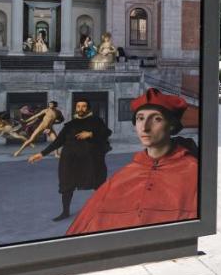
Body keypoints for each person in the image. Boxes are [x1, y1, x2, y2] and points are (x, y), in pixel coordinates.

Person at [65, 88, 198, 235]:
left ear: (172, 125)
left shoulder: (193, 170)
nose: (145, 127)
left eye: (157, 119)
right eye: (140, 118)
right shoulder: (125, 174)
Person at [28, 99, 112, 222]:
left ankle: (102, 209)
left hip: (90, 159)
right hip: (69, 159)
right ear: (75, 108)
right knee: (67, 185)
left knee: (97, 183)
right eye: (78, 106)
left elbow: (107, 132)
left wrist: (91, 134)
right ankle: (65, 212)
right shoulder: (70, 125)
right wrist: (41, 154)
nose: (81, 109)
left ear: (88, 108)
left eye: (84, 106)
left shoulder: (96, 121)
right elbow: (58, 142)